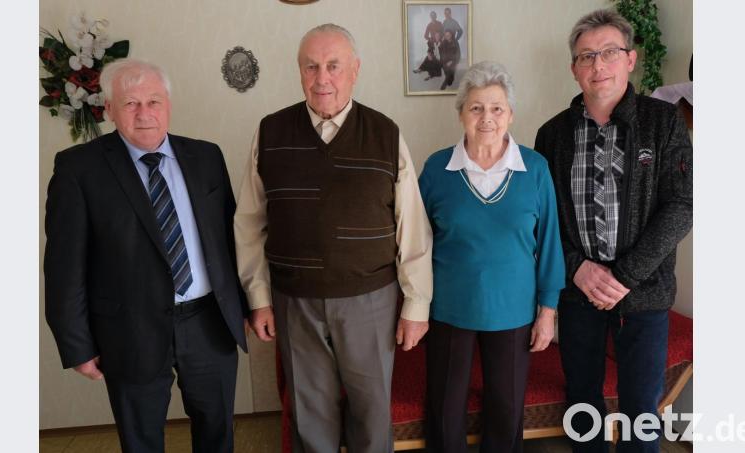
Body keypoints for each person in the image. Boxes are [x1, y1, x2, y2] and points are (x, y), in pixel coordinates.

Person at [234, 24, 433, 453]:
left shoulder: (385, 133)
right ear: (299, 71)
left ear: (355, 70)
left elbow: (412, 226)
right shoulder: (269, 133)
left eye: (333, 66)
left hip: (371, 300)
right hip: (295, 302)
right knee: (309, 416)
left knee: (372, 412)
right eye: (311, 66)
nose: (322, 77)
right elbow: (249, 222)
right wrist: (258, 297)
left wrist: (417, 305)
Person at [44, 58, 249, 453]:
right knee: (141, 441)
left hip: (208, 323)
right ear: (109, 110)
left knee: (217, 432)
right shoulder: (78, 169)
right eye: (130, 104)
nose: (144, 114)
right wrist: (77, 345)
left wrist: (242, 305)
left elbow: (229, 240)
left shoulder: (207, 157)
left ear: (168, 105)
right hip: (129, 330)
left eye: (153, 101)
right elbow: (63, 267)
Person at [534, 9, 692, 453]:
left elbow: (682, 205)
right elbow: (544, 218)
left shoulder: (663, 123)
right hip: (577, 294)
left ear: (630, 59)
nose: (597, 65)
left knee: (641, 410)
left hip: (642, 295)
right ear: (574, 69)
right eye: (586, 56)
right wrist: (577, 268)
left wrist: (624, 276)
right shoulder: (551, 135)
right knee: (581, 404)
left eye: (608, 53)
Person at [420, 61, 565, 453]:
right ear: (461, 114)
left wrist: (548, 312)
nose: (487, 118)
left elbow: (550, 243)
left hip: (514, 312)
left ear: (511, 114)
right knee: (445, 411)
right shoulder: (436, 169)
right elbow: (417, 245)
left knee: (506, 410)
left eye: (497, 108)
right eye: (476, 108)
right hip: (449, 310)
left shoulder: (535, 169)